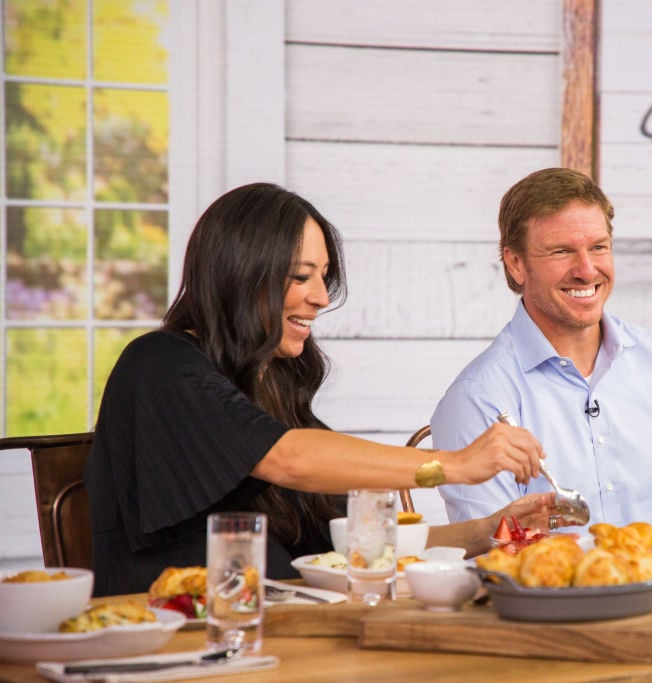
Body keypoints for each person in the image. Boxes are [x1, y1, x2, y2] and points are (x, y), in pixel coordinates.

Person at [85, 182, 557, 597]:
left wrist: (488, 531)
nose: (322, 297)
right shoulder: (159, 365)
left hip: (280, 635)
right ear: (242, 273)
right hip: (184, 639)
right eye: (300, 275)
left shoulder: (272, 385)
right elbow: (287, 458)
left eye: (322, 275)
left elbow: (360, 546)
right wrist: (453, 465)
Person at [431, 167, 652, 532]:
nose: (587, 271)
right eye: (561, 251)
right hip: (554, 589)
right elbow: (493, 554)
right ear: (516, 263)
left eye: (598, 247)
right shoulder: (478, 396)